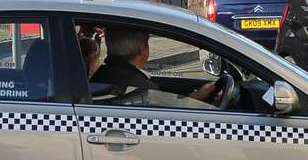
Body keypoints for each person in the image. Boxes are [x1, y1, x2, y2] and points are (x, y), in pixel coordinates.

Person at [90, 28, 220, 108]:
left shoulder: (102, 74)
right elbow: (170, 111)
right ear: (142, 50)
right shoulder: (138, 85)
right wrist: (199, 96)